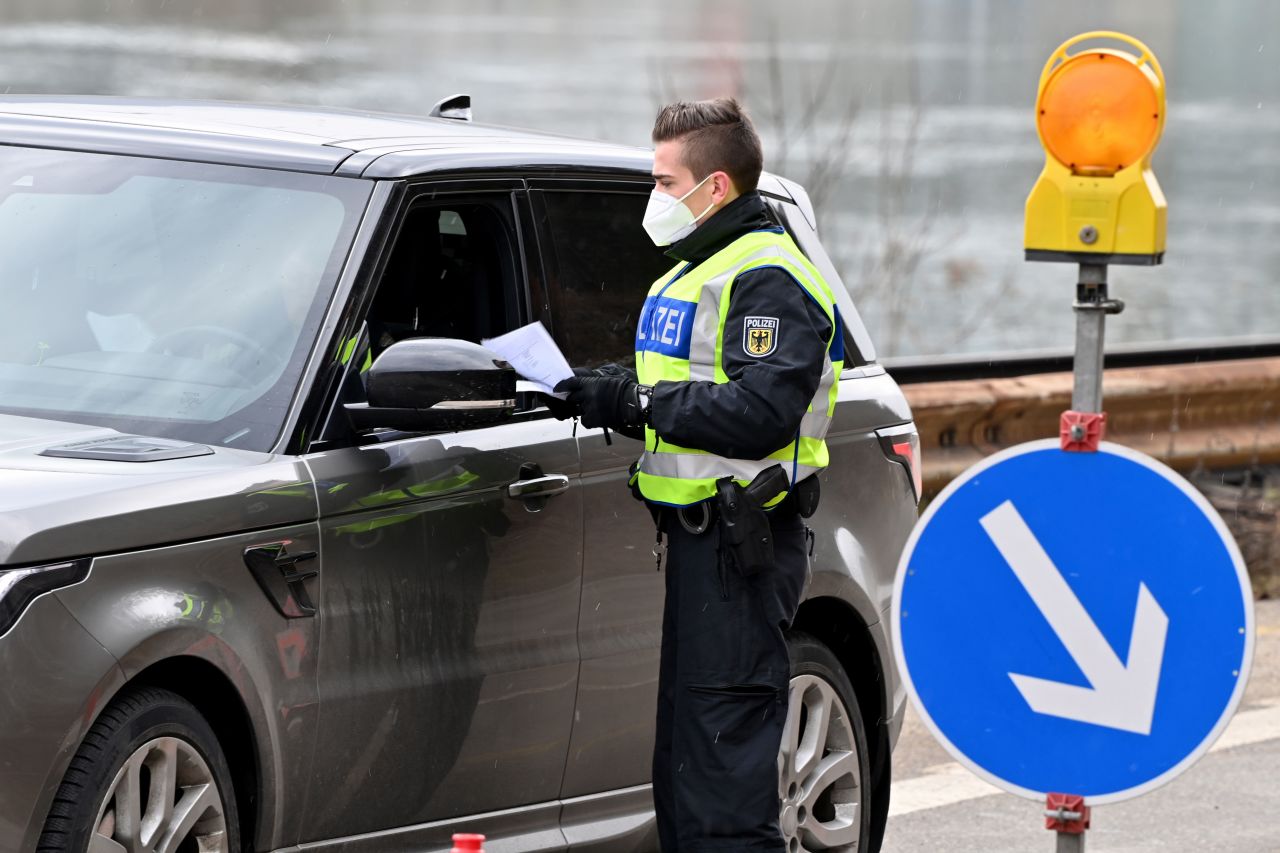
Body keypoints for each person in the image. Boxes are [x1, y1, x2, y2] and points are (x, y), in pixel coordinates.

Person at [552, 97, 845, 852]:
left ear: (714, 187)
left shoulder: (768, 276)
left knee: (723, 785)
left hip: (742, 545)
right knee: (686, 774)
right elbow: (685, 380)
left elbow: (759, 410)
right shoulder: (695, 270)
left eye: (663, 180)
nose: (654, 198)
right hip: (698, 548)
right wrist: (606, 387)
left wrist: (640, 400)